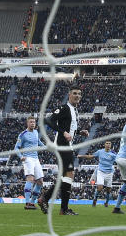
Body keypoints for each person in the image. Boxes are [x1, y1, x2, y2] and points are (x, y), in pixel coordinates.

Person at [37, 86, 88, 216]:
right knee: (69, 174)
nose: (77, 96)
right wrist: (63, 132)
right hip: (61, 145)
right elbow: (48, 120)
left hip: (67, 145)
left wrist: (79, 132)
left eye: (79, 94)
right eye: (75, 93)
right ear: (69, 95)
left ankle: (51, 202)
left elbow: (69, 127)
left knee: (66, 176)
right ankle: (59, 206)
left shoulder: (74, 111)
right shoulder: (64, 108)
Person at [14, 116, 44, 210]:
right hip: (28, 158)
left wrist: (47, 147)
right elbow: (16, 148)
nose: (32, 123)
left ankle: (32, 203)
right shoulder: (23, 134)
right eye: (31, 122)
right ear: (27, 123)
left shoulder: (36, 132)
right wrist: (21, 156)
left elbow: (38, 142)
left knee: (40, 182)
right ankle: (27, 202)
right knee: (30, 179)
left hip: (36, 159)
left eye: (34, 122)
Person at [79, 140, 117, 207]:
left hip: (109, 173)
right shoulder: (100, 152)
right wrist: (82, 156)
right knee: (100, 188)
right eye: (107, 143)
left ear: (111, 145)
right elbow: (91, 156)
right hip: (101, 171)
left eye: (109, 143)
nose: (108, 145)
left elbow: (119, 160)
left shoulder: (113, 154)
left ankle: (106, 202)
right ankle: (95, 200)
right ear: (104, 145)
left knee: (108, 190)